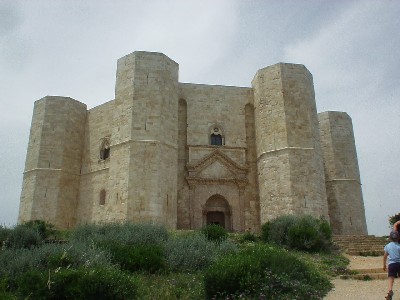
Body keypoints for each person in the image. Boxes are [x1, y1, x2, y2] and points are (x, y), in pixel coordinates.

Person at [383, 231, 400, 300]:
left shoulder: (388, 246)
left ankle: (390, 290)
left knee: (391, 278)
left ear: (390, 238)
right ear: (398, 238)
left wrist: (384, 265)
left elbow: (385, 256)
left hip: (392, 264)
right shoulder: (399, 246)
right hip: (399, 263)